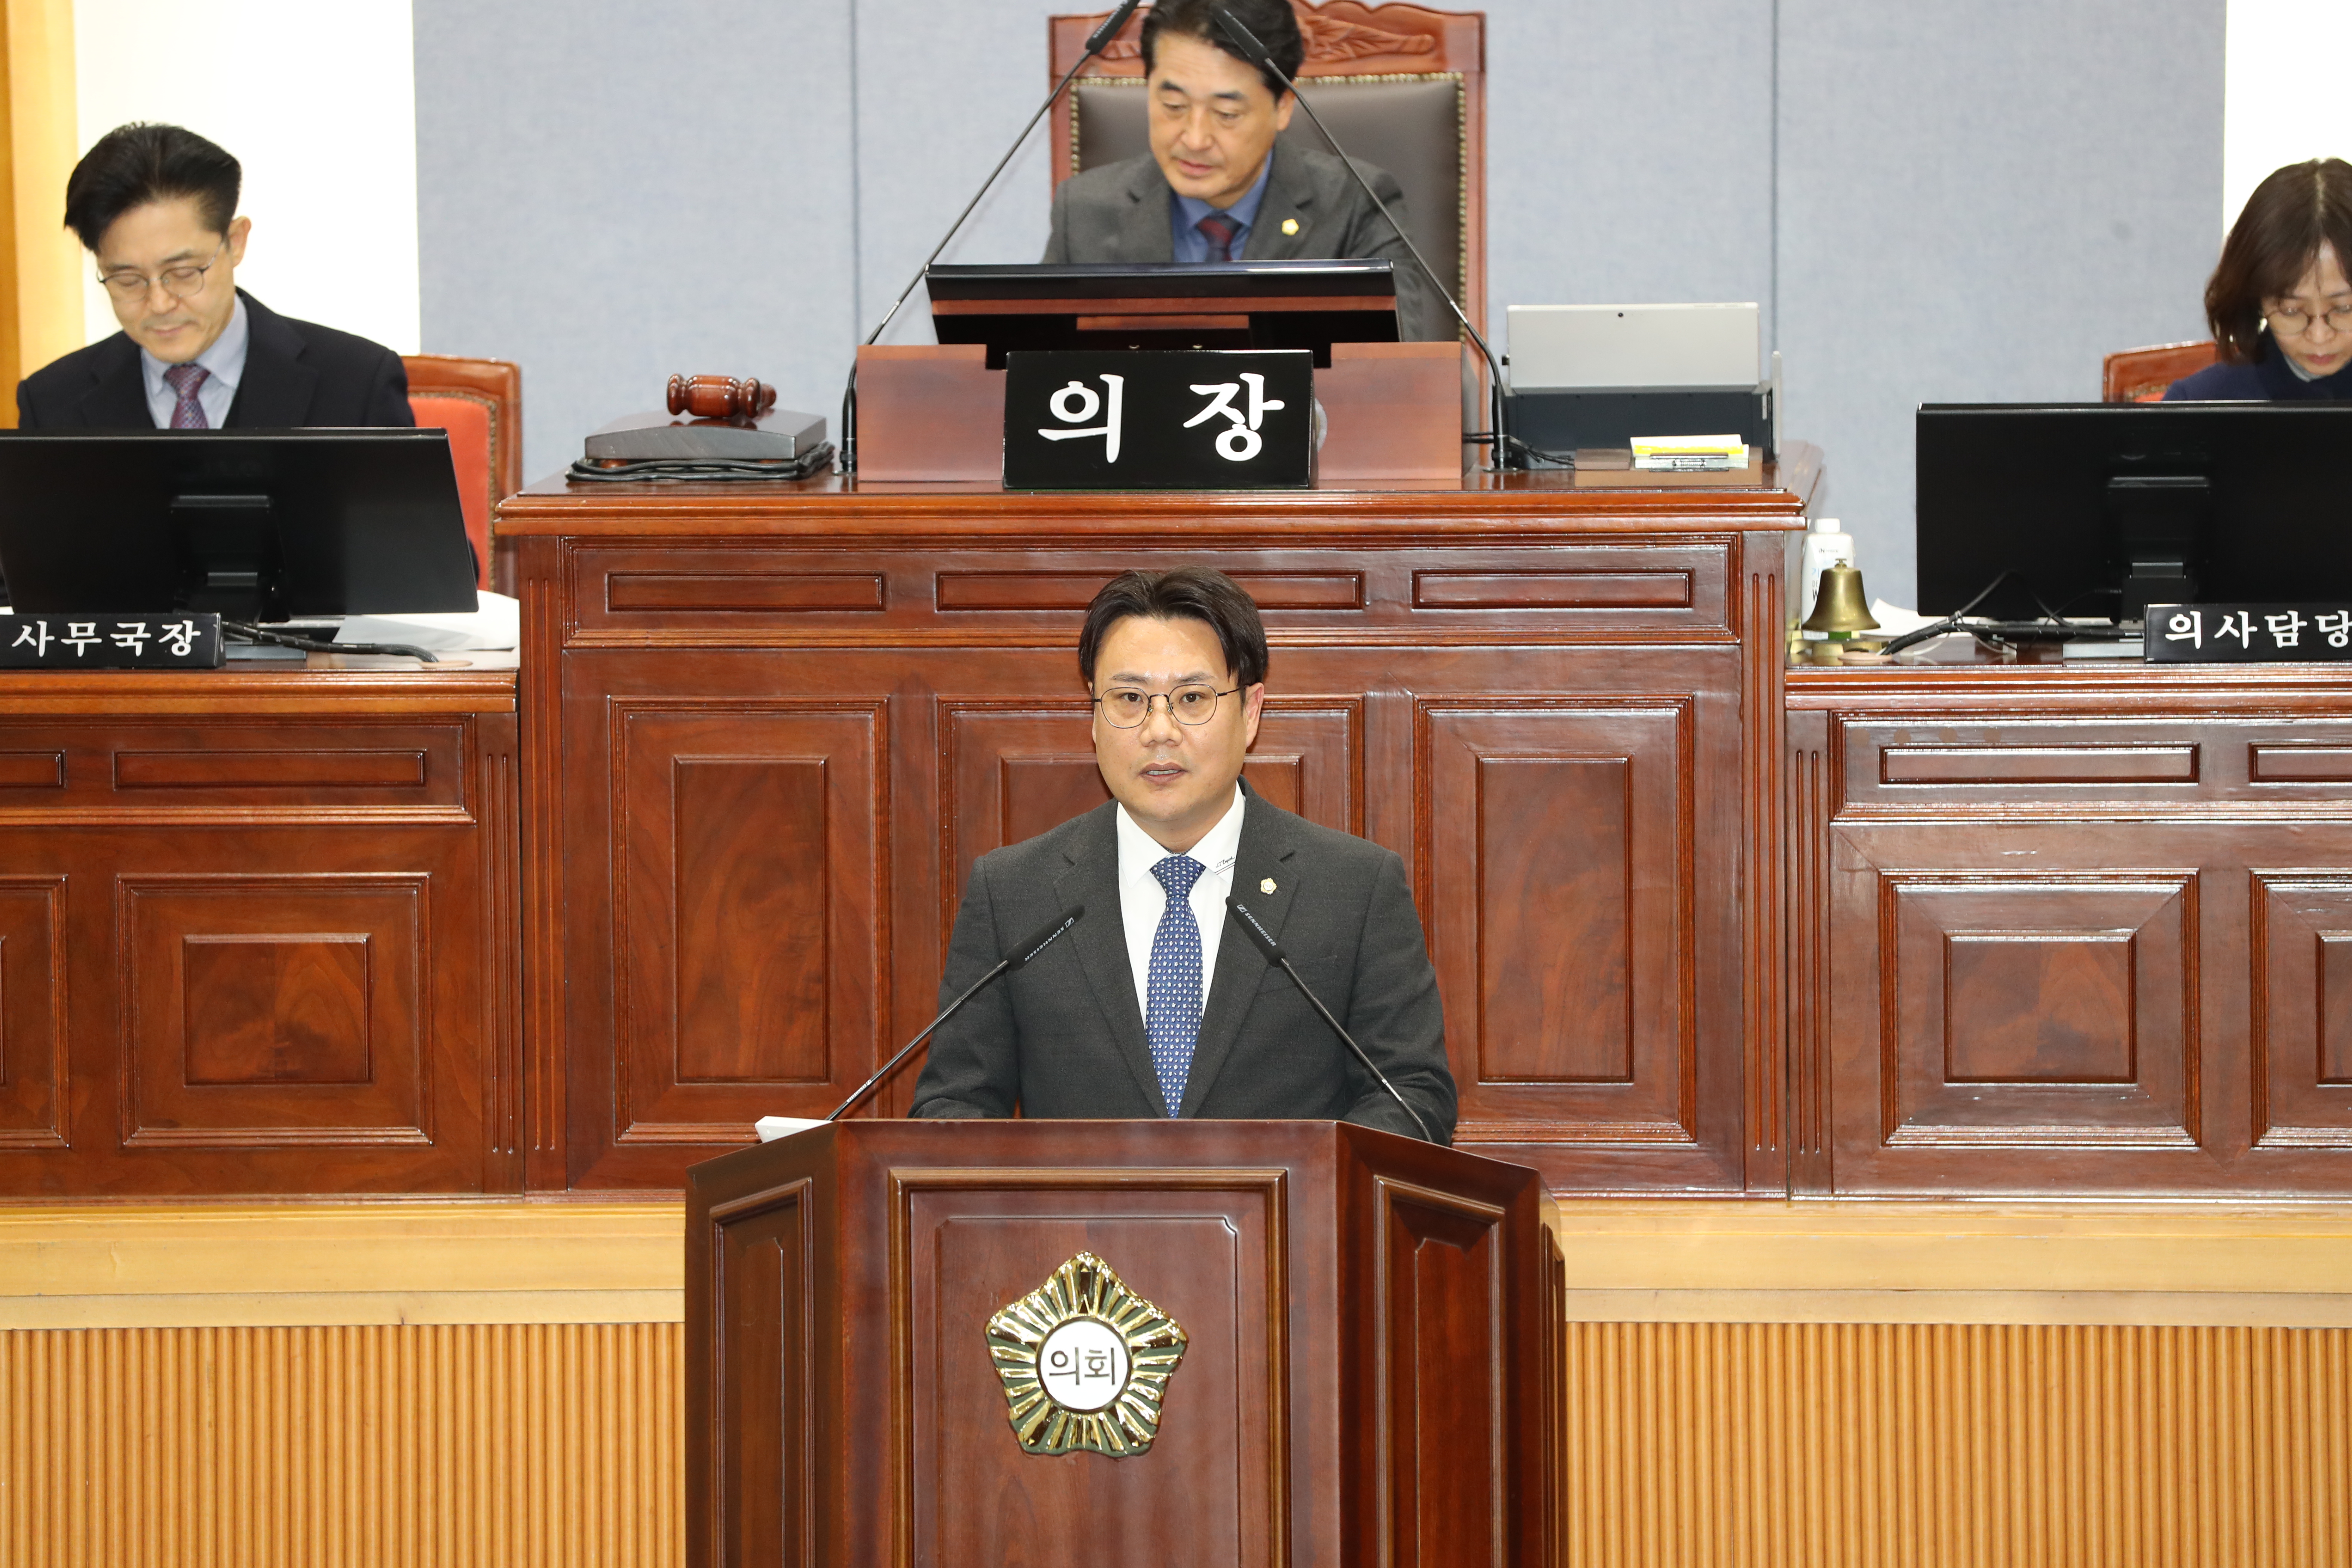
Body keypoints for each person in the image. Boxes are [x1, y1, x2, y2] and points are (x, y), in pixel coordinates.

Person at [910, 567, 1456, 1141]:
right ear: (1094, 714)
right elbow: (953, 1105)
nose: (1159, 731)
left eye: (1192, 698)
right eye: (1129, 699)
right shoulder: (1014, 893)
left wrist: (1304, 1184)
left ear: (1251, 711)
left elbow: (1413, 1093)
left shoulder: (1354, 888)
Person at [1042, 0, 1451, 344]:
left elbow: (1398, 377)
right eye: (1173, 107)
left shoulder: (1356, 206)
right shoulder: (1083, 214)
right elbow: (1036, 377)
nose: (1195, 138)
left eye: (1227, 113)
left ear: (1283, 107)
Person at [15, 122, 414, 429]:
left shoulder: (358, 384)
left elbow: (410, 519)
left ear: (235, 242)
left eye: (183, 272)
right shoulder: (51, 402)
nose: (160, 304)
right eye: (128, 280)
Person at [2166, 157, 2352, 401]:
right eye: (2290, 311)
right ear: (2256, 300)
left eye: (2344, 308)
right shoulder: (2199, 403)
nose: (2319, 336)